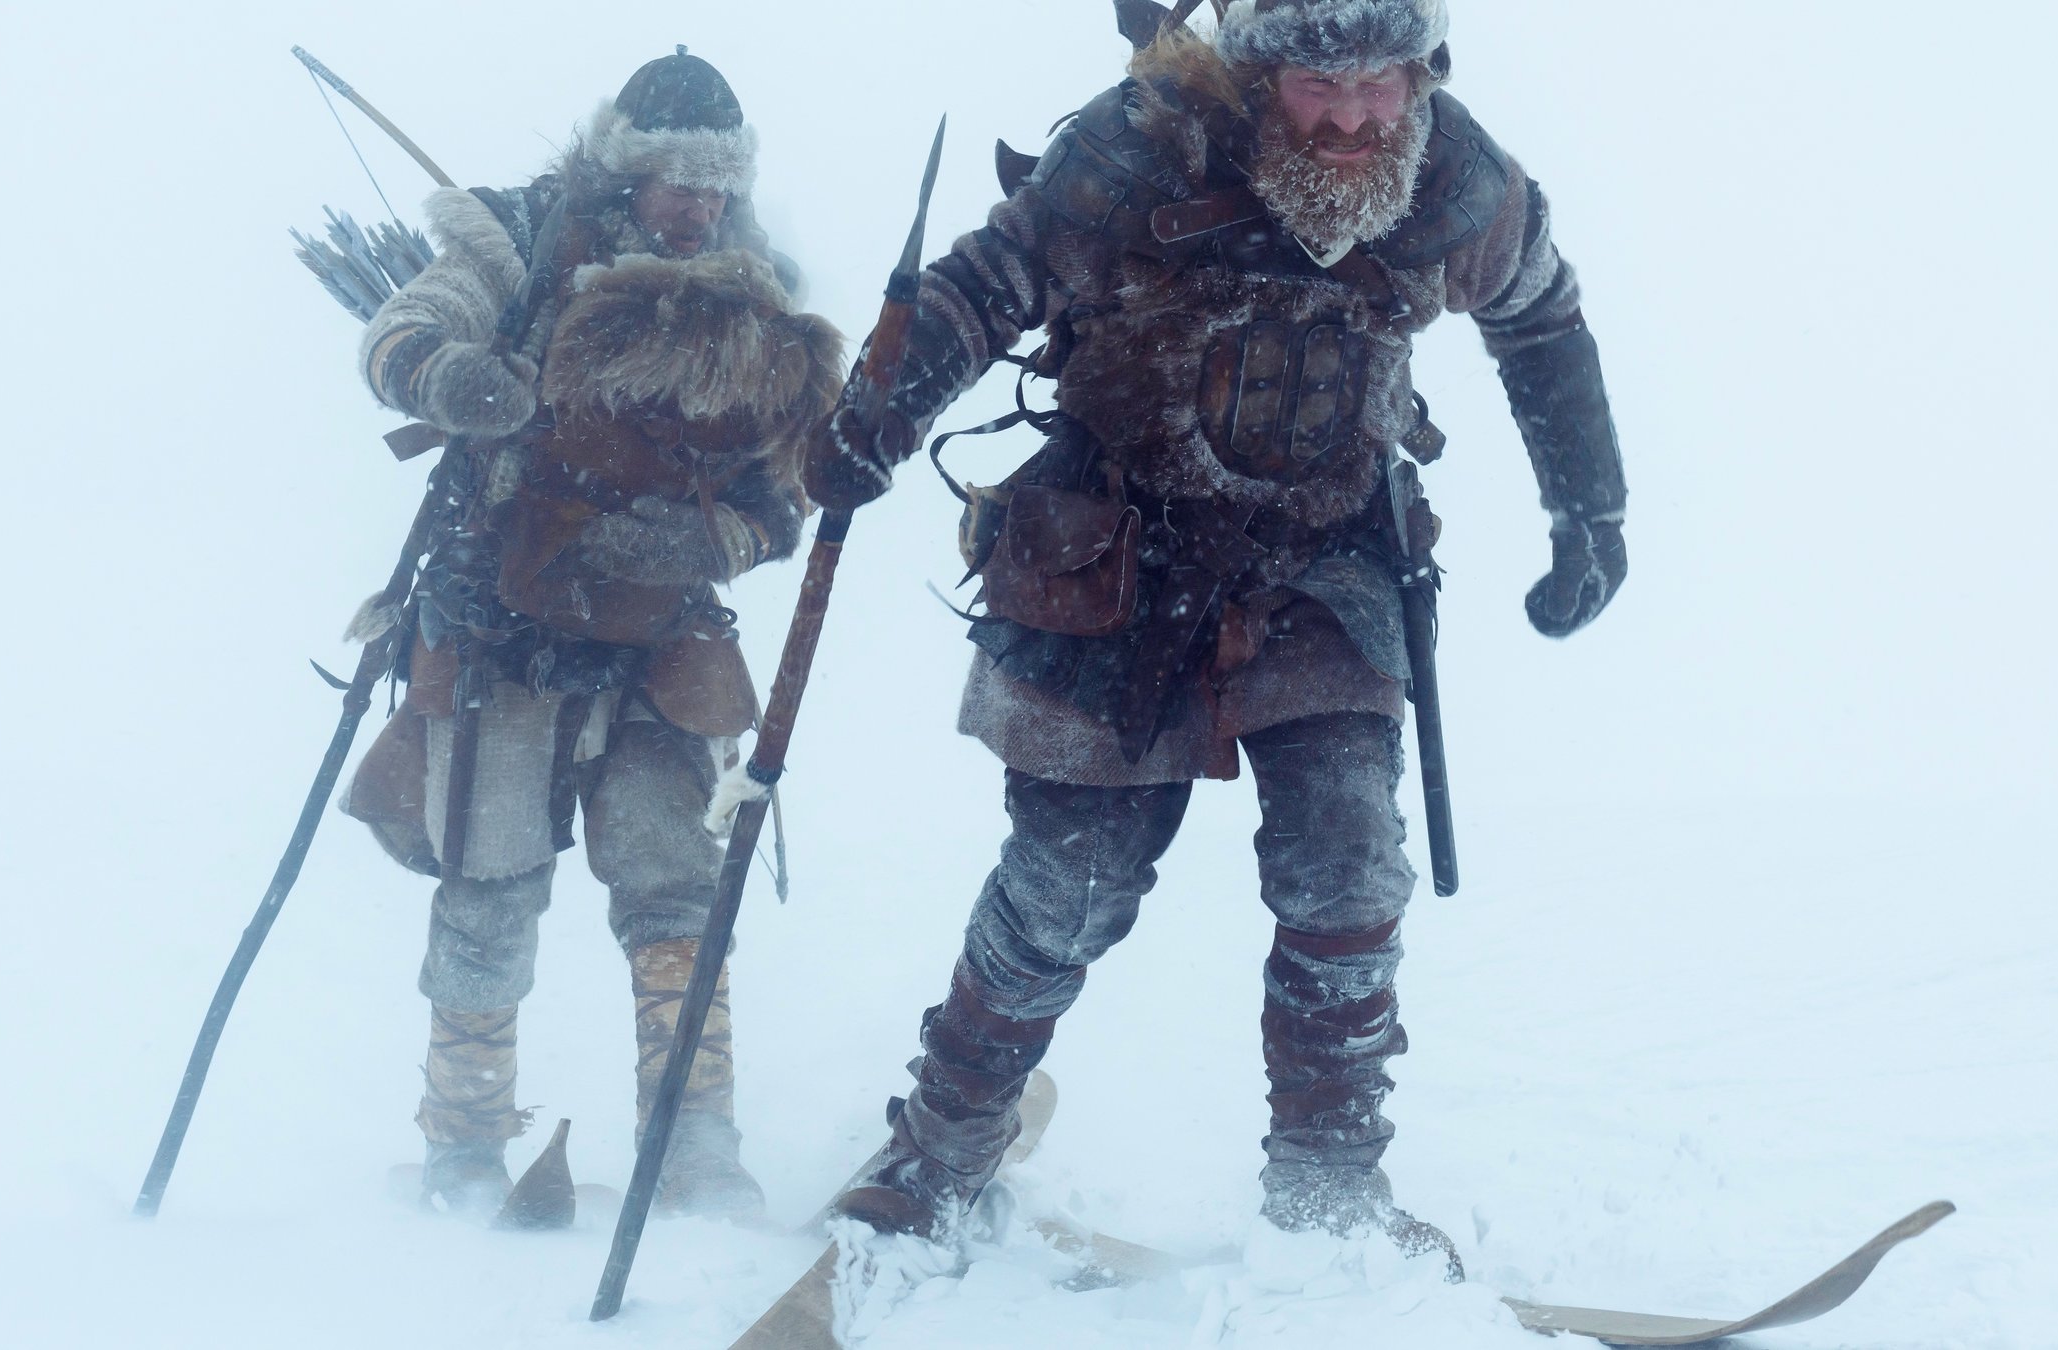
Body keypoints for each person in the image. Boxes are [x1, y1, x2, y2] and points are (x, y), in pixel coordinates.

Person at [803, 0, 1629, 1254]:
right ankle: (943, 1149)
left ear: (1422, 72)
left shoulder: (1454, 172)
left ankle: (1328, 1194)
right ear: (1260, 70)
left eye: (1381, 84)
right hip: (1119, 562)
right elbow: (986, 282)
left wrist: (1590, 509)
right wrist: (883, 408)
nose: (1354, 116)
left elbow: (1542, 319)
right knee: (1067, 889)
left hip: (1331, 566)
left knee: (1347, 867)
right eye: (1319, 83)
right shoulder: (1144, 143)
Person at [340, 49, 846, 1219]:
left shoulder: (756, 288)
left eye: (717, 184)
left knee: (675, 889)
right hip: (501, 623)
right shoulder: (512, 244)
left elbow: (790, 485)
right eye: (677, 180)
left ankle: (692, 1144)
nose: (699, 204)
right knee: (489, 877)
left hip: (666, 642)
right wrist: (455, 376)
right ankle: (463, 1145)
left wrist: (717, 545)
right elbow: (401, 334)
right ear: (624, 167)